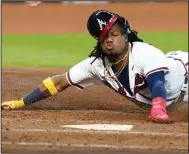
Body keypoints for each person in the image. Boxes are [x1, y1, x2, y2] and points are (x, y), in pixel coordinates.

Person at [2, 10, 188, 123]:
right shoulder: (97, 66)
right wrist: (22, 102)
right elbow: (59, 82)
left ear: (125, 35)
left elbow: (157, 84)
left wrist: (158, 109)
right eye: (103, 37)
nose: (109, 40)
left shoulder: (144, 52)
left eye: (114, 34)